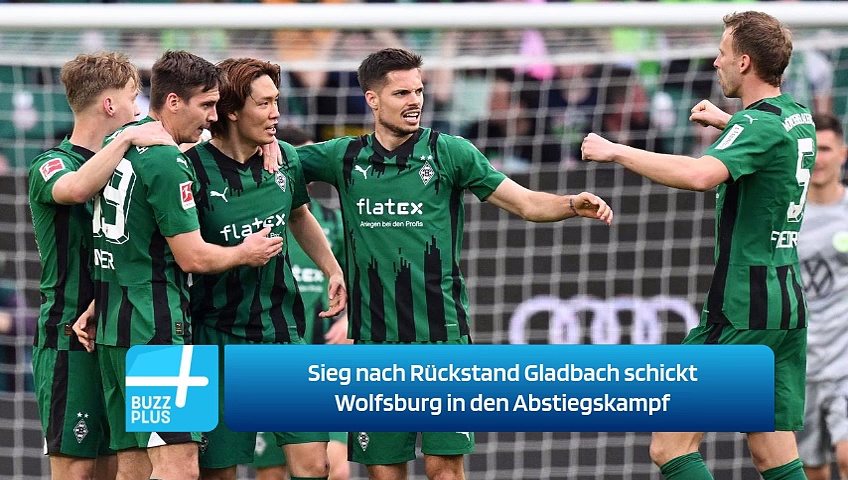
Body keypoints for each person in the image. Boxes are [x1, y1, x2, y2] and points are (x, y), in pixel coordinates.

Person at [295, 47, 612, 480]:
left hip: (441, 340)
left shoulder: (450, 153)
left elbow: (525, 203)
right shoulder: (342, 156)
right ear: (372, 99)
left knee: (445, 471)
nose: (415, 101)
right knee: (384, 472)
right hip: (373, 345)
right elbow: (276, 160)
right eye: (401, 93)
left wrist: (571, 204)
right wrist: (269, 152)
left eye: (419, 91)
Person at [582, 11, 812, 480]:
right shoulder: (797, 117)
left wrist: (616, 150)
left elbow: (700, 175)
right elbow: (773, 142)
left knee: (670, 446)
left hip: (742, 307)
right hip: (785, 304)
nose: (715, 62)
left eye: (723, 53)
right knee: (774, 455)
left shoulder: (757, 126)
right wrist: (729, 123)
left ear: (744, 62)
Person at [82, 50, 283, 480]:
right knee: (180, 466)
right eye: (206, 105)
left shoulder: (122, 141)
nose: (213, 117)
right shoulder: (168, 162)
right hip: (155, 329)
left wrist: (269, 141)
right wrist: (244, 253)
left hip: (115, 325)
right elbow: (192, 256)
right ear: (173, 102)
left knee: (134, 468)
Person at [184, 59, 346, 480]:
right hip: (214, 335)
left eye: (277, 101)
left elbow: (299, 214)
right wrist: (241, 252)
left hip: (279, 333)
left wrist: (332, 269)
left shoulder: (284, 158)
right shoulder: (190, 167)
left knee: (316, 464)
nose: (276, 113)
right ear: (231, 111)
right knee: (218, 471)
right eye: (264, 103)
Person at [27, 52, 175, 480]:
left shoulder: (136, 167)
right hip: (67, 337)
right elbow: (75, 190)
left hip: (124, 332)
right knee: (76, 471)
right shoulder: (51, 164)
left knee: (125, 467)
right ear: (110, 105)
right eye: (132, 97)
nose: (138, 109)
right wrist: (125, 141)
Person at [249, 125, 351, 480]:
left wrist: (350, 319)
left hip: (325, 357)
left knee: (334, 469)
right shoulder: (258, 216)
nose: (306, 170)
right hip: (273, 358)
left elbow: (354, 276)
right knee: (272, 472)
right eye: (299, 159)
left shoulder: (330, 221)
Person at [795, 113, 848, 480]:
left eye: (826, 149)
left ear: (842, 153)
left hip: (845, 362)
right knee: (811, 468)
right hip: (800, 364)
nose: (819, 159)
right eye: (812, 150)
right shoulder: (785, 216)